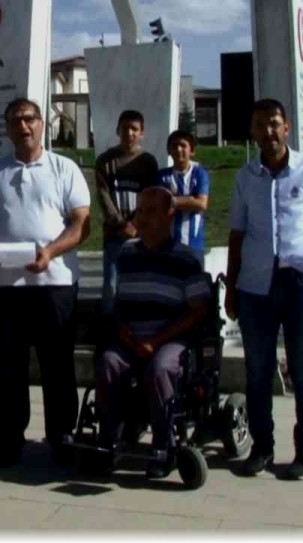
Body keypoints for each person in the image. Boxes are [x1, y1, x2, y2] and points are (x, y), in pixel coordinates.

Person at [0, 97, 91, 469]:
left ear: (42, 124)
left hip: (54, 283)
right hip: (4, 287)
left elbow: (82, 224)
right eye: (14, 121)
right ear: (7, 129)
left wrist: (51, 252)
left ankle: (62, 438)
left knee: (57, 365)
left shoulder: (64, 167)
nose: (22, 126)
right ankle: (10, 440)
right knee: (8, 368)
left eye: (29, 119)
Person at [225, 98, 303, 480]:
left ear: (286, 127)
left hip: (302, 282)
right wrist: (232, 285)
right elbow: (237, 235)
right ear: (253, 131)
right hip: (256, 286)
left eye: (274, 123)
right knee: (258, 371)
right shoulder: (245, 178)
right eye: (260, 125)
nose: (269, 131)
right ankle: (262, 447)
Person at [92, 187, 212, 478]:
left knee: (159, 368)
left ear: (170, 215)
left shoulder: (186, 259)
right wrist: (128, 337)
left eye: (151, 212)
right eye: (140, 212)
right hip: (131, 338)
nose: (143, 219)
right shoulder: (127, 254)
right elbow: (117, 305)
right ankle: (109, 441)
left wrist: (155, 341)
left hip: (170, 339)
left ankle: (164, 446)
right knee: (108, 362)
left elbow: (198, 309)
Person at [94, 110, 158, 317]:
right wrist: (122, 225)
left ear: (142, 133)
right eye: (125, 128)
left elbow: (151, 197)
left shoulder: (148, 162)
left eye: (134, 129)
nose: (129, 133)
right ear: (117, 130)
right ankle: (108, 333)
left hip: (142, 236)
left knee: (141, 285)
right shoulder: (105, 161)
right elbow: (104, 197)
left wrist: (138, 224)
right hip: (115, 236)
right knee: (112, 285)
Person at [157, 130, 210, 259]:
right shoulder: (162, 176)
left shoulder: (200, 174)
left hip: (193, 244)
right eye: (174, 146)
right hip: (168, 243)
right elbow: (161, 204)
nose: (178, 149)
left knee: (194, 278)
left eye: (183, 145)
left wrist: (174, 201)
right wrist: (190, 199)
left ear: (192, 150)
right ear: (169, 151)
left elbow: (202, 204)